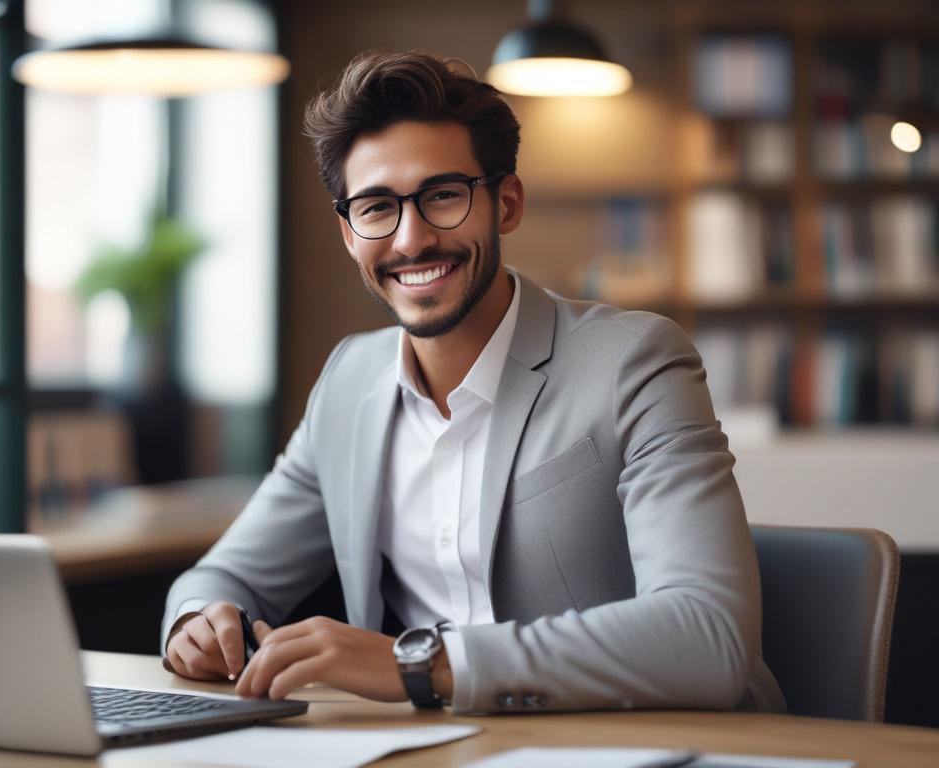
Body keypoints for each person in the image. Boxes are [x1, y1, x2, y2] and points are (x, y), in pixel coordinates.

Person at [161, 49, 785, 715]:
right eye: (376, 207)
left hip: (653, 743)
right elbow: (225, 575)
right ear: (348, 233)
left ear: (505, 203)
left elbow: (708, 635)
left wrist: (422, 665)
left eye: (443, 196)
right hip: (445, 748)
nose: (410, 240)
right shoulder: (349, 382)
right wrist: (200, 620)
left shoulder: (635, 362)